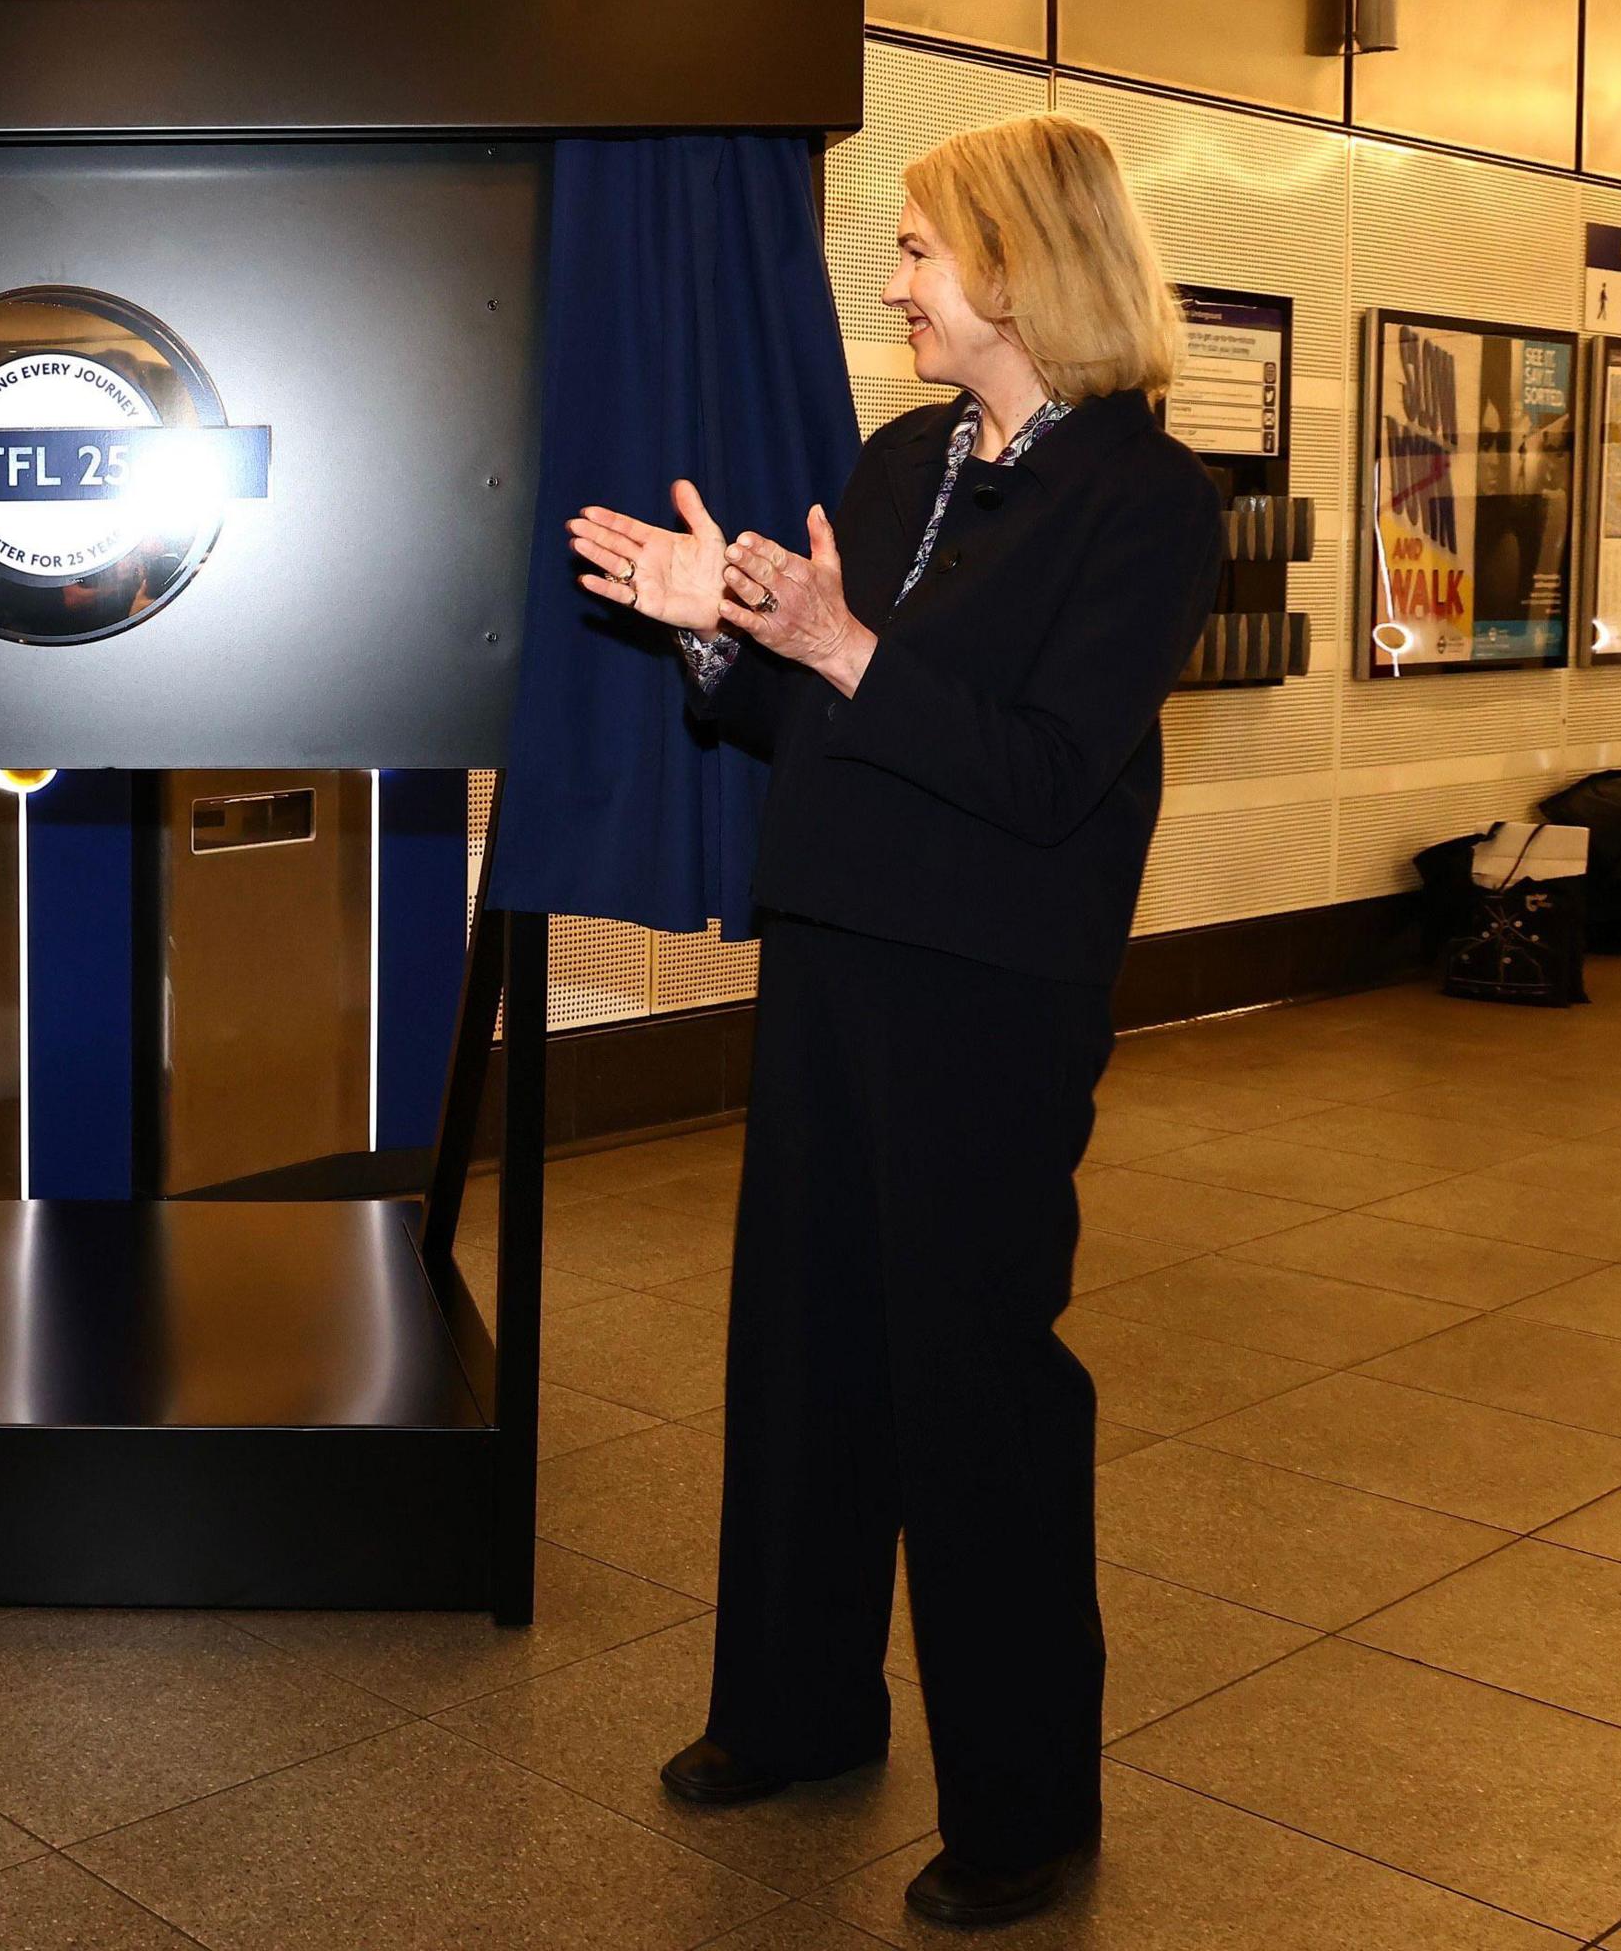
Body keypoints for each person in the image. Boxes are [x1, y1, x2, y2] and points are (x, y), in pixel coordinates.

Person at [566, 114, 1218, 1928]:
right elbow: (814, 725)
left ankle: (1023, 1807)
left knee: (975, 1381)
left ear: (1014, 270)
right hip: (840, 946)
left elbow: (1042, 773)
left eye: (923, 250)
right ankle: (794, 1709)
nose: (899, 281)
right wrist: (725, 637)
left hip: (994, 992)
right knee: (805, 1345)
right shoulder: (895, 455)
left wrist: (846, 651)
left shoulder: (1148, 501)